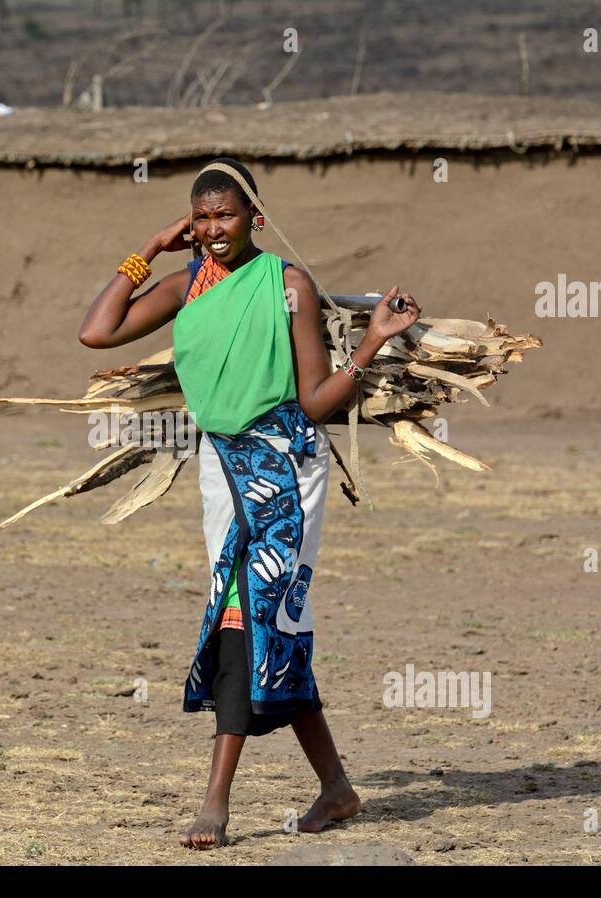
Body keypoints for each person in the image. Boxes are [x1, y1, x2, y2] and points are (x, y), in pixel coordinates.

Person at [78, 157, 421, 849]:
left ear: (254, 218)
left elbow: (317, 398)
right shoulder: (184, 286)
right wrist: (149, 247)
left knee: (243, 615)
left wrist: (374, 342)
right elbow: (97, 331)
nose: (212, 229)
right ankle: (337, 788)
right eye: (201, 218)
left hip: (286, 467)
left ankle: (216, 802)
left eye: (225, 215)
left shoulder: (288, 284)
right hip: (221, 466)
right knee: (272, 625)